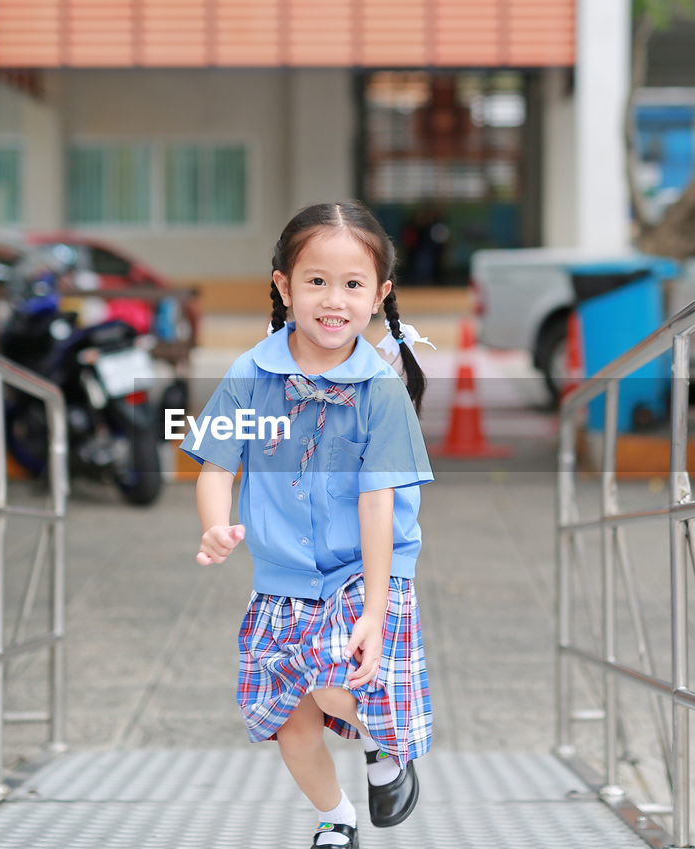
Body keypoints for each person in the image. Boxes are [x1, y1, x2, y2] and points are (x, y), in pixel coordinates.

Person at [184, 201, 434, 849]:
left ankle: (385, 743)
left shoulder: (379, 389)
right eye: (316, 280)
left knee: (329, 680)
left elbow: (377, 503)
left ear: (379, 296)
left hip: (364, 568)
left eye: (352, 285)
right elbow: (216, 467)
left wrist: (375, 610)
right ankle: (337, 817)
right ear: (283, 285)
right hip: (282, 576)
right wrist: (217, 524)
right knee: (290, 723)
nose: (333, 300)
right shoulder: (250, 375)